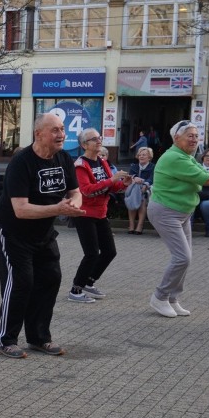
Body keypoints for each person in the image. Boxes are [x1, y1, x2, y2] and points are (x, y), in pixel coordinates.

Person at [0, 113, 84, 359]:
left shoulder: (64, 158)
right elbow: (20, 210)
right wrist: (59, 209)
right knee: (21, 282)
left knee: (51, 278)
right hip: (14, 231)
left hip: (43, 231)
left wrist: (73, 203)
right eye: (55, 130)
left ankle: (39, 337)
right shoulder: (21, 162)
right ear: (38, 134)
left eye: (62, 129)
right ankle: (5, 338)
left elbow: (75, 192)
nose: (61, 134)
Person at [147, 121, 209, 317]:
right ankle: (160, 297)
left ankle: (172, 298)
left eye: (196, 135)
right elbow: (207, 180)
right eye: (189, 135)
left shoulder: (186, 157)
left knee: (184, 258)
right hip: (166, 211)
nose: (194, 139)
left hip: (182, 212)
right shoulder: (174, 157)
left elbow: (205, 175)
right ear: (176, 138)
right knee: (182, 257)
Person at [67, 128, 130, 304]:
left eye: (99, 137)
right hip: (84, 213)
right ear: (84, 145)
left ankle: (88, 282)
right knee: (92, 253)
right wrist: (112, 180)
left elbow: (110, 187)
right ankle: (75, 289)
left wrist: (122, 184)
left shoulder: (102, 162)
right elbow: (86, 191)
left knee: (110, 251)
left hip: (100, 212)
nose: (99, 140)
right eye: (94, 139)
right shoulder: (80, 165)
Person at [127, 147, 155, 235]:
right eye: (140, 155)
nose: (141, 156)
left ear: (149, 157)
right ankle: (131, 225)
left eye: (144, 155)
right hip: (134, 189)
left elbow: (152, 179)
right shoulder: (134, 166)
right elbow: (129, 177)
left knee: (142, 199)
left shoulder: (153, 167)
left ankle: (140, 225)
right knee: (132, 198)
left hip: (148, 188)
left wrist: (145, 184)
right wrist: (134, 178)